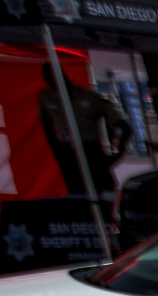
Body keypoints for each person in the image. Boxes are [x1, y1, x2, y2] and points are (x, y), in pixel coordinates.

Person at [38, 63, 129, 196]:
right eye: (48, 77)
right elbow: (47, 125)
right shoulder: (47, 97)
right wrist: (57, 151)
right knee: (78, 194)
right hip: (68, 153)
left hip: (91, 150)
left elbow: (123, 125)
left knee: (105, 191)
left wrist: (118, 153)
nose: (51, 80)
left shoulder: (89, 97)